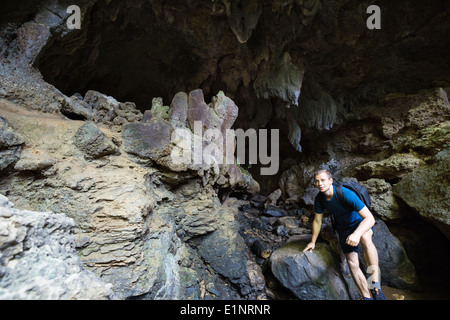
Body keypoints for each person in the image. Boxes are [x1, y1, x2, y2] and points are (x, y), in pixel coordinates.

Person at [303, 169, 386, 300]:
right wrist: (313, 241)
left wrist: (357, 234)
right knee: (352, 263)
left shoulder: (345, 193)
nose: (320, 183)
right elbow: (317, 221)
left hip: (360, 224)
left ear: (330, 181)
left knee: (365, 237)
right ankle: (366, 297)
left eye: (323, 180)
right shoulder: (320, 199)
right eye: (317, 181)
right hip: (343, 229)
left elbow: (370, 219)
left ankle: (375, 286)